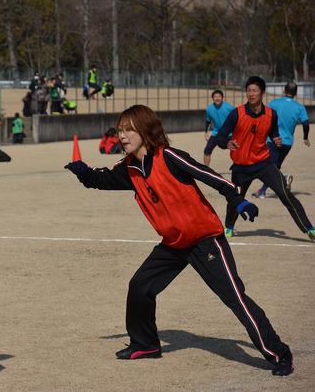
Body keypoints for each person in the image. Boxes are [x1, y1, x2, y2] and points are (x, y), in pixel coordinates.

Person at [64, 104, 294, 376]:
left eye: (128, 130)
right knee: (140, 286)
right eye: (119, 130)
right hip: (174, 243)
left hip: (205, 240)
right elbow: (101, 179)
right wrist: (83, 173)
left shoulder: (169, 156)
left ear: (146, 131)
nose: (122, 136)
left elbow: (208, 176)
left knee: (234, 297)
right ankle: (146, 344)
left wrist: (238, 199)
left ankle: (279, 353)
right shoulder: (129, 168)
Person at [216, 76, 314, 240]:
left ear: (262, 93)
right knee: (235, 200)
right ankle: (229, 227)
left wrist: (275, 137)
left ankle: (309, 229)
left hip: (264, 164)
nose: (251, 94)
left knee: (285, 194)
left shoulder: (271, 114)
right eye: (248, 90)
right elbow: (220, 137)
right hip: (241, 167)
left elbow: (272, 130)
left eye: (254, 90)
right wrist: (227, 143)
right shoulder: (237, 113)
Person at [251, 81, 310, 198]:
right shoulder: (299, 107)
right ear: (296, 93)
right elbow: (306, 123)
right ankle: (263, 190)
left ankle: (283, 180)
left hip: (273, 140)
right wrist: (305, 137)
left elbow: (264, 116)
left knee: (267, 166)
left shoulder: (275, 103)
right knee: (275, 165)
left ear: (284, 90)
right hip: (287, 142)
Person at [203, 89, 235, 166]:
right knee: (207, 150)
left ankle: (238, 167)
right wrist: (206, 132)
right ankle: (206, 170)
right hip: (216, 133)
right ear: (212, 98)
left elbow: (237, 118)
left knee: (236, 150)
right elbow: (208, 121)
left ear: (222, 97)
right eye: (215, 97)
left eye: (219, 96)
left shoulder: (229, 107)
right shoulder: (209, 109)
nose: (217, 98)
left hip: (229, 133)